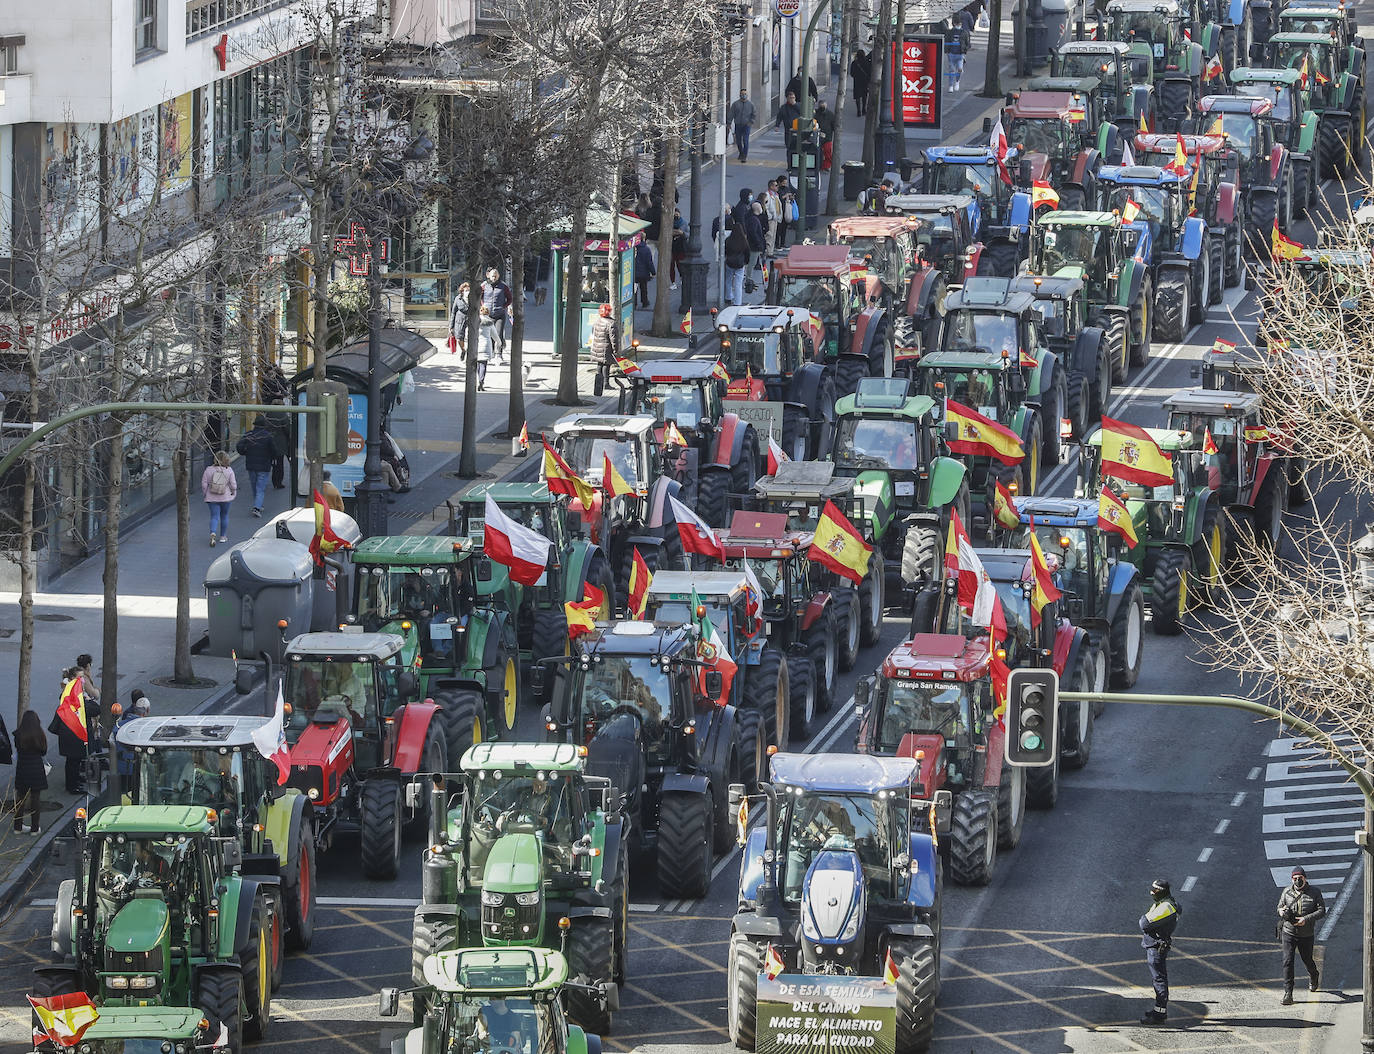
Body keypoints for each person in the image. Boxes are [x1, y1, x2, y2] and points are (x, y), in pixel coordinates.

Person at [1277, 865, 1326, 1004]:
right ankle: (1288, 993)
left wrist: (1306, 919)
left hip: (1306, 934)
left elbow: (1322, 910)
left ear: (1305, 878)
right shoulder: (1286, 892)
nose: (1298, 881)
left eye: (1300, 878)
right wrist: (1282, 912)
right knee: (1287, 961)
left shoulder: (1315, 892)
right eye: (1295, 878)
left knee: (1307, 960)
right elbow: (1279, 907)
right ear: (1292, 879)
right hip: (1289, 932)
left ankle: (1314, 975)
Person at [1139, 878, 1181, 1025]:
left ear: (1162, 892)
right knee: (1158, 978)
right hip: (1156, 945)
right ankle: (1158, 1010)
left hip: (1157, 947)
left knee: (1159, 980)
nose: (1152, 892)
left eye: (1155, 890)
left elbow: (1144, 923)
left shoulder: (1166, 907)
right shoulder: (1165, 903)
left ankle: (1159, 1014)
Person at [12, 710, 47, 835]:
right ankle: (34, 828)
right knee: (35, 799)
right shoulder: (39, 734)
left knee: (20, 799)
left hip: (22, 769)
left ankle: (18, 827)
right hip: (36, 769)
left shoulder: (18, 735)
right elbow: (43, 751)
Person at [235, 416, 276, 517]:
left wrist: (245, 452)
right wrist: (272, 457)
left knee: (254, 486)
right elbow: (274, 450)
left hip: (251, 464)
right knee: (260, 487)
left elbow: (239, 446)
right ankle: (257, 507)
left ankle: (257, 504)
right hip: (264, 465)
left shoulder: (249, 434)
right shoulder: (268, 436)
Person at [112, 690, 151, 782]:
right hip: (137, 770)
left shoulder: (118, 726)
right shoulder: (147, 729)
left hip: (120, 769)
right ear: (147, 710)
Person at [201, 451, 236, 547]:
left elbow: (204, 485)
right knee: (224, 515)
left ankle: (213, 532)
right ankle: (223, 537)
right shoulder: (229, 470)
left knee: (214, 516)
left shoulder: (208, 470)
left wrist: (205, 494)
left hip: (212, 497)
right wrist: (233, 492)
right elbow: (233, 485)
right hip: (226, 497)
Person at [481, 267, 513, 364]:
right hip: (488, 315)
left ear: (498, 276)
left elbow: (510, 298)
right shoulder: (484, 285)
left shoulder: (503, 286)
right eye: (492, 276)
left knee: (498, 334)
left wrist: (504, 306)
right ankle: (491, 354)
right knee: (489, 334)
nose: (494, 278)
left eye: (495, 276)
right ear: (488, 276)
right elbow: (479, 297)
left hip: (499, 314)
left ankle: (499, 354)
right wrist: (483, 306)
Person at [589, 304, 617, 398]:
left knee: (599, 364)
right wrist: (615, 349)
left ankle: (598, 384)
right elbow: (613, 338)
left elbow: (593, 333)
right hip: (606, 347)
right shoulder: (611, 323)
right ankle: (606, 383)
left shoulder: (597, 321)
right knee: (606, 365)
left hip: (597, 347)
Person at [724, 221, 752, 306]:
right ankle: (737, 302)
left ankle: (728, 297)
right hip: (740, 264)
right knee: (738, 283)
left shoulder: (728, 240)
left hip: (730, 263)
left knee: (728, 280)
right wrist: (746, 262)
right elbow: (747, 253)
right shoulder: (744, 241)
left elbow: (726, 251)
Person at [728, 88, 757, 162]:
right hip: (738, 125)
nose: (743, 95)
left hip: (747, 125)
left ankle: (744, 156)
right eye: (742, 94)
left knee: (745, 140)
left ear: (747, 95)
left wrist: (750, 122)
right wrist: (729, 123)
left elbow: (754, 114)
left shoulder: (751, 105)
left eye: (745, 94)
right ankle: (741, 152)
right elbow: (731, 114)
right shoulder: (735, 104)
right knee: (738, 140)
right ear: (739, 95)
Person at [776, 91, 802, 157]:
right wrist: (777, 125)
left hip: (797, 130)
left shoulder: (799, 105)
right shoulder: (784, 107)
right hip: (788, 131)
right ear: (787, 98)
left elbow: (802, 113)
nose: (792, 99)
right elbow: (779, 116)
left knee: (797, 147)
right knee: (789, 148)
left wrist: (795, 105)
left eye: (793, 97)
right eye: (790, 98)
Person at [449, 281, 471, 356]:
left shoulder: (473, 299)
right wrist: (451, 326)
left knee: (471, 337)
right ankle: (463, 350)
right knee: (459, 337)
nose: (468, 292)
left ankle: (469, 352)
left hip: (470, 319)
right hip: (460, 320)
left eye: (469, 290)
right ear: (462, 291)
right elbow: (453, 312)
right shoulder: (458, 298)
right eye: (466, 291)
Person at [815, 100, 836, 171]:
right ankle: (821, 166)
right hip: (820, 135)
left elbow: (833, 125)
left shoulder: (830, 114)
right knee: (820, 152)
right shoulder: (816, 113)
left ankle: (826, 166)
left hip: (827, 136)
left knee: (827, 152)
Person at [633, 242, 655, 308]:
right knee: (644, 288)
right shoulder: (646, 249)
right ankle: (644, 302)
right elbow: (649, 262)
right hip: (644, 273)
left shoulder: (633, 248)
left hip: (634, 272)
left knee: (634, 288)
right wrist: (653, 272)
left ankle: (634, 303)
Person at [850, 49, 872, 115]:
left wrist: (856, 76)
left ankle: (858, 110)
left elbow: (851, 73)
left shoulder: (854, 63)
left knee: (857, 96)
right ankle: (864, 109)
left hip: (857, 82)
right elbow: (869, 72)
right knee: (864, 96)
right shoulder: (867, 62)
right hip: (865, 82)